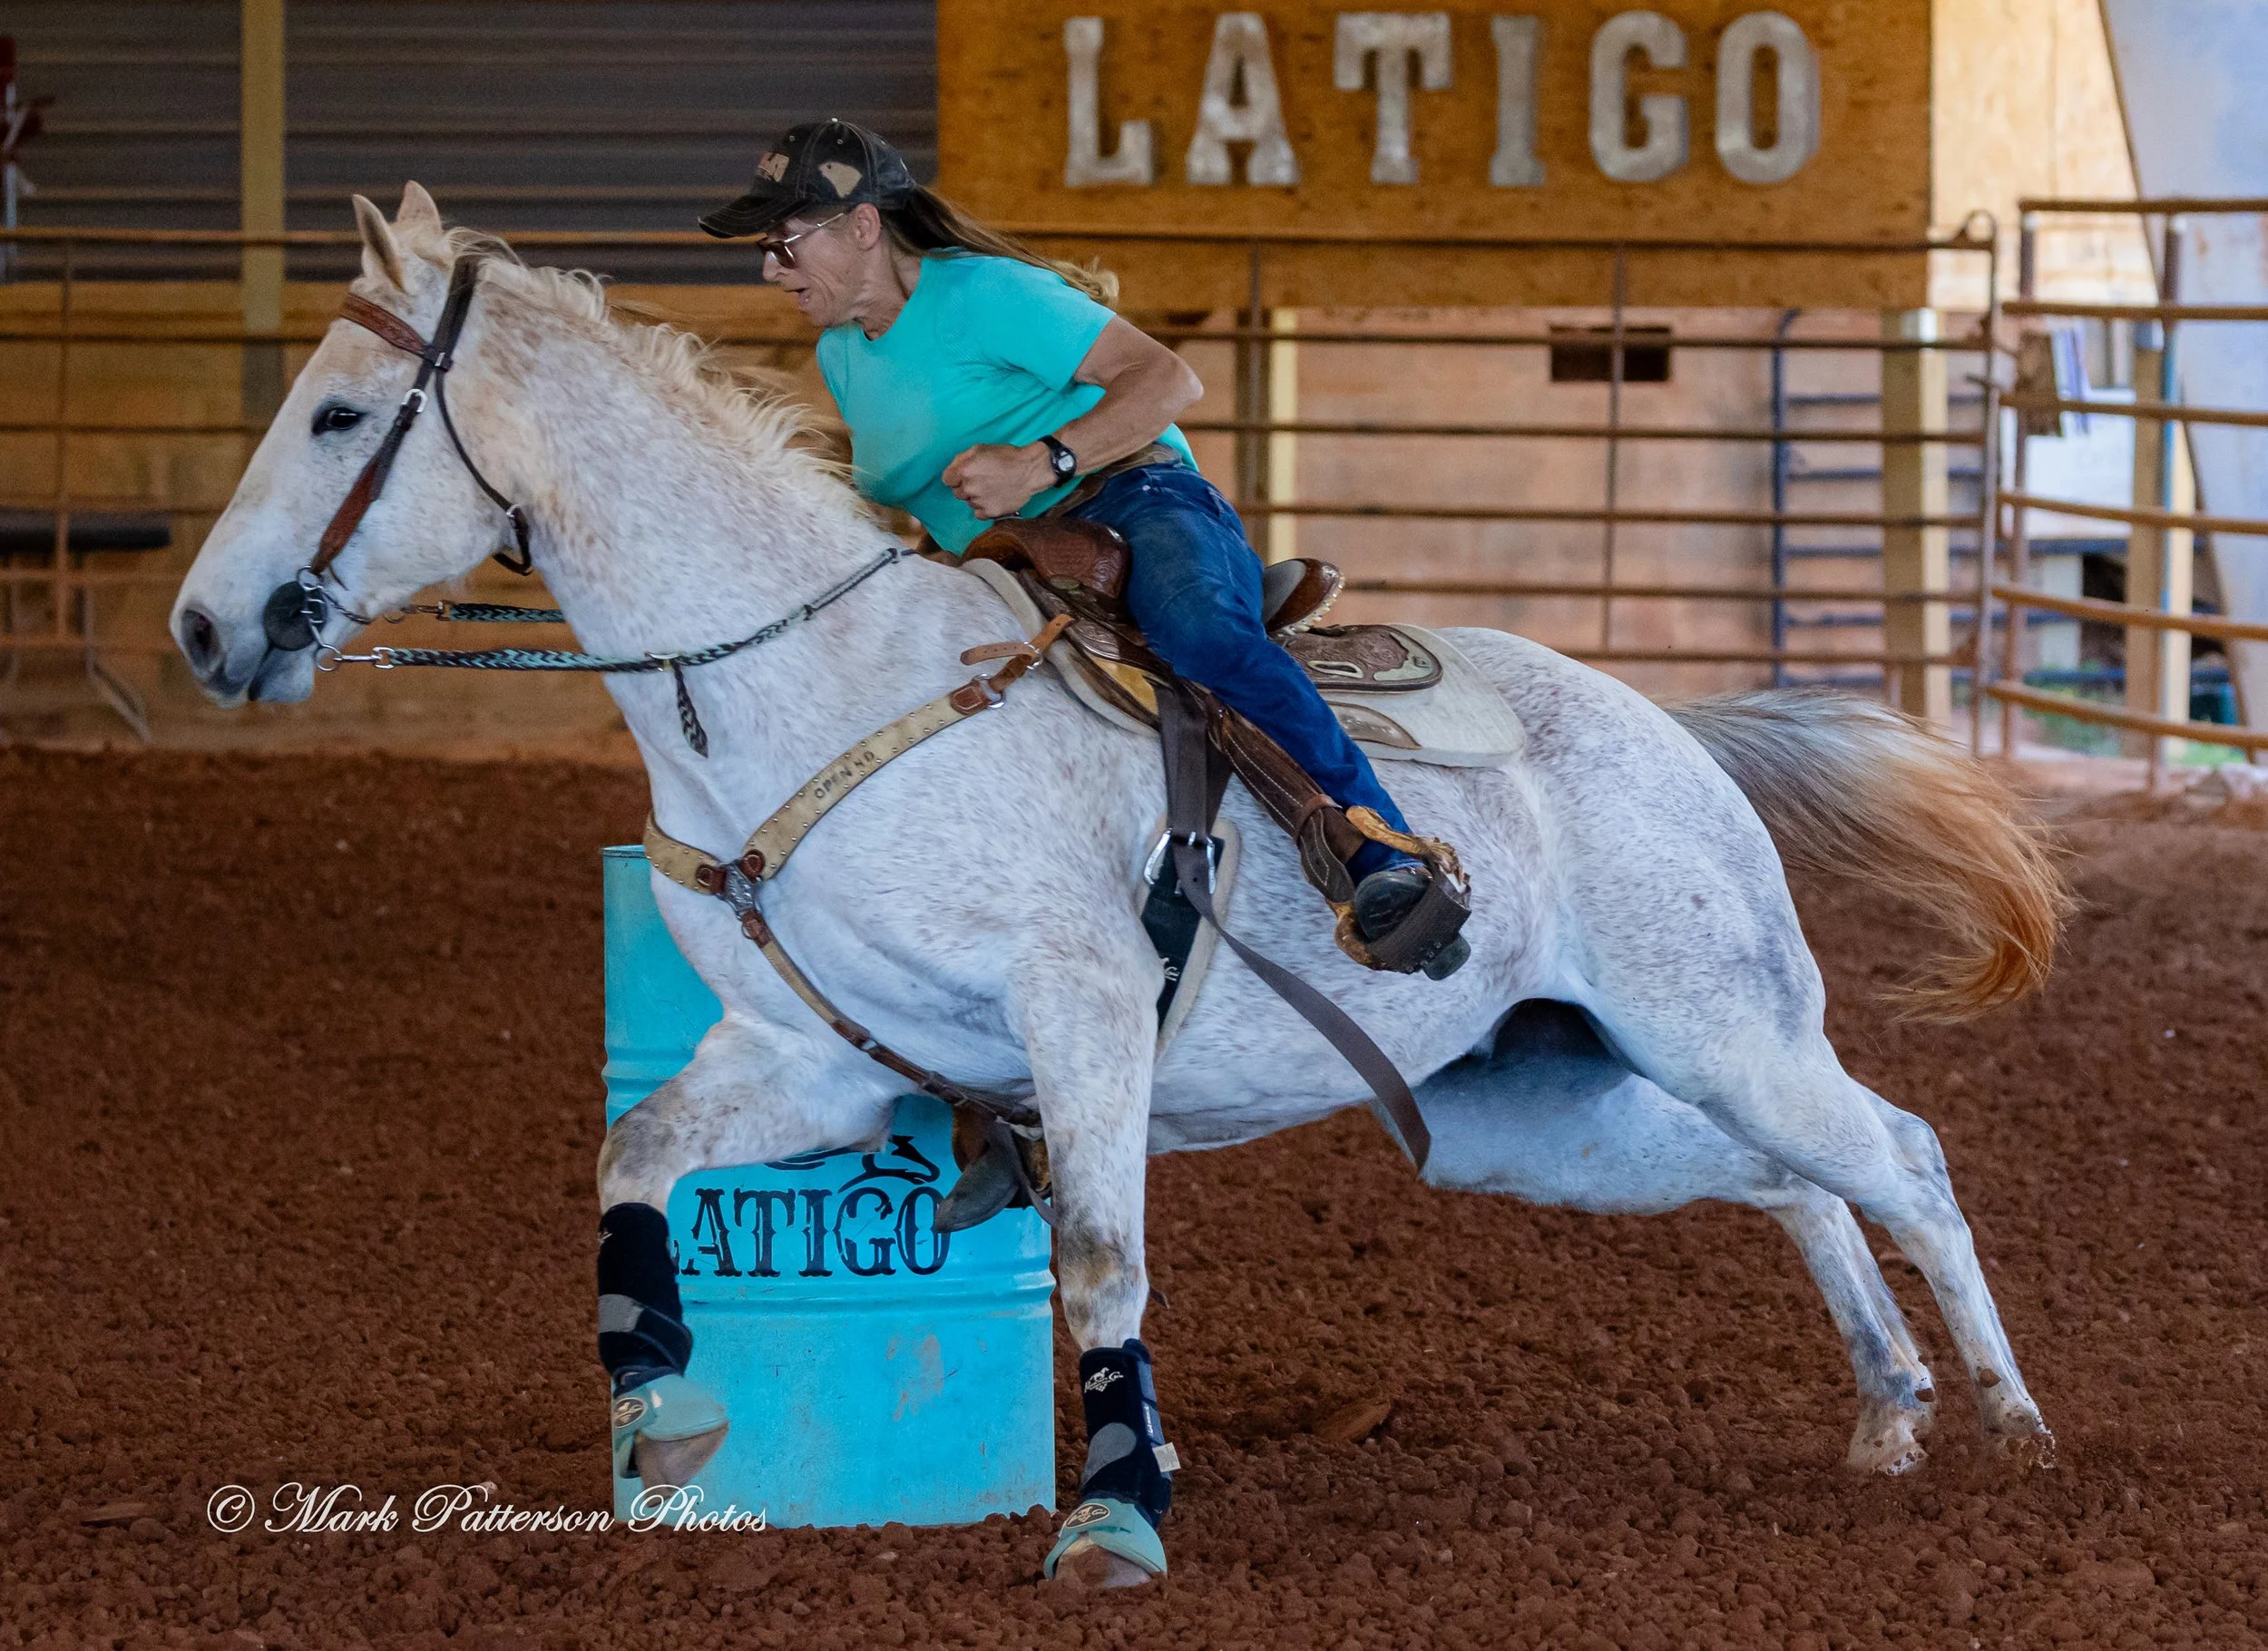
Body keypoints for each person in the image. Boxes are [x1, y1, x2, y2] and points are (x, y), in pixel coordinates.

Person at [698, 119, 1468, 981]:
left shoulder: (986, 294)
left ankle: (1385, 854)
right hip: (998, 565)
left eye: (786, 243)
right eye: (767, 248)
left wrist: (1043, 461)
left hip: (1136, 503)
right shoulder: (842, 354)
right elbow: (925, 492)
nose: (771, 269)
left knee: (1205, 638)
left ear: (865, 227)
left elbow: (1168, 379)